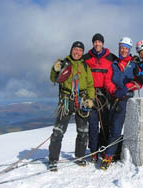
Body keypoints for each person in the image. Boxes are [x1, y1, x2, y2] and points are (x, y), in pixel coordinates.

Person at [48, 41, 95, 170]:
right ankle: (53, 159)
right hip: (66, 100)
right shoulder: (64, 63)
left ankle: (80, 157)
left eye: (80, 50)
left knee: (83, 132)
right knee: (58, 132)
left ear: (82, 52)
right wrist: (55, 69)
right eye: (75, 49)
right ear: (71, 50)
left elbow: (91, 84)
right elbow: (53, 78)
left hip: (82, 101)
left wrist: (90, 99)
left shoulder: (85, 67)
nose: (77, 52)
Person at [100, 37, 142, 170]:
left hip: (127, 99)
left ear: (129, 50)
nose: (123, 50)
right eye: (121, 48)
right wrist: (114, 91)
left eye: (126, 48)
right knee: (114, 127)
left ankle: (111, 154)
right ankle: (110, 154)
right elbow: (107, 80)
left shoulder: (134, 64)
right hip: (115, 98)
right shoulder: (114, 64)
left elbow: (139, 82)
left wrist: (127, 87)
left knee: (124, 127)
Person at [83, 33, 117, 163]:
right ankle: (93, 151)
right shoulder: (86, 58)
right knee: (92, 124)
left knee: (105, 124)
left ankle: (103, 149)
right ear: (93, 43)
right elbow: (76, 64)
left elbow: (122, 64)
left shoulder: (110, 57)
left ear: (102, 43)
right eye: (95, 42)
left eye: (99, 42)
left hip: (105, 95)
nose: (97, 44)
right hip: (91, 95)